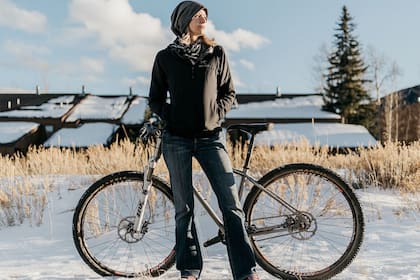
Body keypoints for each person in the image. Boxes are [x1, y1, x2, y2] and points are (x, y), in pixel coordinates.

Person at [148, 1, 260, 280]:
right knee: (183, 208)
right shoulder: (165, 57)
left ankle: (246, 272)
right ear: (184, 19)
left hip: (211, 138)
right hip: (176, 140)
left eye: (205, 16)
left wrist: (215, 114)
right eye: (198, 15)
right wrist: (169, 117)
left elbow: (229, 93)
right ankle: (190, 270)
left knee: (231, 205)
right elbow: (155, 98)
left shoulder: (216, 53)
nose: (203, 19)